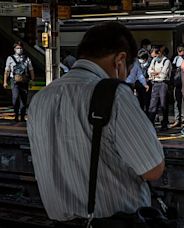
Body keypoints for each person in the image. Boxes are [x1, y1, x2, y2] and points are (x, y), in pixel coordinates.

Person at [27, 22, 165, 223]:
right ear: (120, 60)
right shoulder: (114, 94)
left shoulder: (41, 98)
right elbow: (153, 169)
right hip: (112, 221)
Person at [3, 41, 35, 122]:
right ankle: (16, 115)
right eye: (17, 48)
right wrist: (5, 82)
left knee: (24, 99)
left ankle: (23, 116)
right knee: (15, 98)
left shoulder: (27, 58)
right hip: (14, 81)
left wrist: (32, 79)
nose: (19, 49)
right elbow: (7, 70)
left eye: (20, 48)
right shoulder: (10, 58)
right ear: (14, 49)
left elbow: (31, 69)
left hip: (24, 81)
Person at [148, 46, 172, 131]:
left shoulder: (166, 61)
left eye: (155, 55)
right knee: (152, 105)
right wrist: (155, 73)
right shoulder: (154, 61)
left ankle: (164, 124)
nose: (154, 58)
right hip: (155, 83)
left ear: (159, 53)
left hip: (163, 83)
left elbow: (163, 74)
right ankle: (151, 124)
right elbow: (149, 71)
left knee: (163, 104)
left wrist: (155, 73)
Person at [171, 45, 184, 128]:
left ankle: (183, 119)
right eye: (180, 51)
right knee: (177, 101)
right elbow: (173, 68)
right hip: (177, 82)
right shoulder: (176, 58)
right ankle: (177, 119)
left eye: (182, 51)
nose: (181, 53)